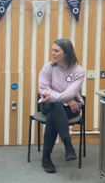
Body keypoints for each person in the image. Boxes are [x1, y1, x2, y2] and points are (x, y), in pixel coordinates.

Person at [38, 38, 85, 173]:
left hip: (71, 108)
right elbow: (43, 89)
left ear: (67, 53)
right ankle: (68, 144)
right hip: (48, 104)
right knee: (55, 106)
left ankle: (46, 158)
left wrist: (64, 99)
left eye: (56, 51)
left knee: (55, 111)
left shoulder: (78, 71)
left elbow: (69, 93)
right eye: (52, 50)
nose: (53, 53)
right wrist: (65, 100)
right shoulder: (48, 67)